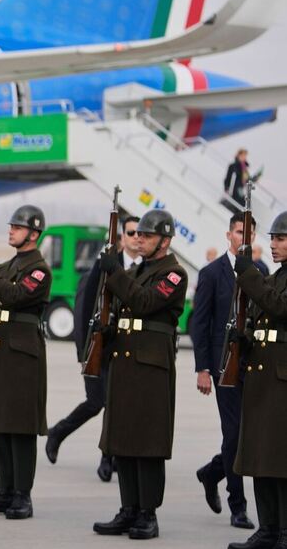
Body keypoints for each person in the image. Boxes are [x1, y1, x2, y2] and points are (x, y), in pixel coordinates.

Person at [93, 209, 188, 540]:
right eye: (137, 235)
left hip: (150, 369)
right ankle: (128, 508)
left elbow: (146, 302)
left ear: (164, 240)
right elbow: (122, 307)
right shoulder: (136, 271)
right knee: (124, 440)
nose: (139, 240)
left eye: (146, 236)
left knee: (147, 443)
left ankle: (148, 513)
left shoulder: (174, 274)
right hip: (125, 363)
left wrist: (115, 275)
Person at [0, 205, 52, 520]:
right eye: (11, 227)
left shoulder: (40, 269)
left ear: (33, 233)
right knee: (0, 426)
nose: (11, 231)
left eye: (17, 228)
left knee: (20, 428)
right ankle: (3, 491)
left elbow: (14, 296)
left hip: (22, 357)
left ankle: (22, 495)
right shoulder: (4, 266)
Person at [47, 215, 142, 482]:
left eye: (140, 233)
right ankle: (61, 433)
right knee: (98, 402)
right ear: (121, 237)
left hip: (128, 353)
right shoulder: (101, 270)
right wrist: (84, 352)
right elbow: (83, 311)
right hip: (101, 350)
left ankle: (107, 456)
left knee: (116, 404)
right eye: (131, 233)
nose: (136, 238)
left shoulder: (147, 271)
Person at [192, 212, 259, 530]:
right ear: (228, 235)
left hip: (255, 368)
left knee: (248, 436)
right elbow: (200, 324)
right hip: (224, 368)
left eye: (248, 232)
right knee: (233, 434)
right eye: (237, 232)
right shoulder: (211, 273)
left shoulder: (260, 271)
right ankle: (238, 505)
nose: (243, 237)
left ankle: (212, 472)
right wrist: (203, 368)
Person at [228, 213, 287, 549]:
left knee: (280, 459)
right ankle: (268, 529)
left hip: (281, 380)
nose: (274, 245)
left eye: (281, 239)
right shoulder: (277, 276)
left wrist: (248, 273)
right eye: (273, 238)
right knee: (263, 457)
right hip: (263, 377)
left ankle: (284, 531)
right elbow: (261, 317)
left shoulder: (274, 281)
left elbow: (278, 307)